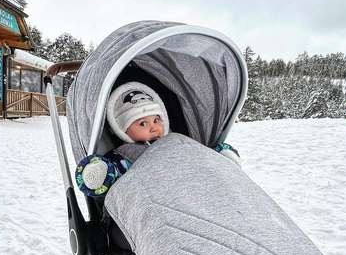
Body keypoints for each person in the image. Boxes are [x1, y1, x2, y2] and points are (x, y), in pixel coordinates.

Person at [76, 81, 240, 197]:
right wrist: (99, 174)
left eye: (156, 120)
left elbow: (197, 156)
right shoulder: (123, 158)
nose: (154, 127)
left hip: (191, 191)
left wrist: (218, 156)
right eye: (143, 123)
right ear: (123, 130)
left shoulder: (176, 141)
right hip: (156, 198)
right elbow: (110, 175)